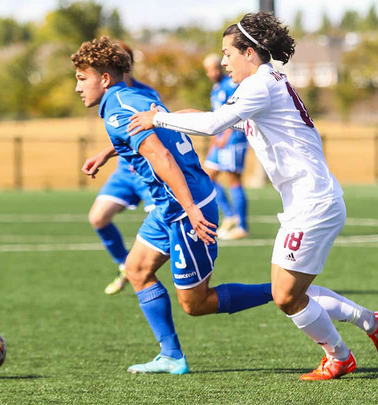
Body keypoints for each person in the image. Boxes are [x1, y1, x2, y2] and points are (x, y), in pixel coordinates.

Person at [128, 13, 378, 381]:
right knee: (288, 291)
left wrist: (156, 121)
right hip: (311, 201)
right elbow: (214, 117)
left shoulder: (260, 86)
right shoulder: (264, 84)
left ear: (250, 53)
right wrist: (165, 115)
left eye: (227, 53)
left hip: (313, 203)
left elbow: (212, 124)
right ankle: (372, 322)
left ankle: (340, 357)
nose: (223, 61)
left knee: (285, 296)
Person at [73, 36, 273, 375]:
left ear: (104, 78)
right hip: (170, 208)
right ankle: (171, 356)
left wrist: (192, 211)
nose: (77, 87)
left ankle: (283, 291)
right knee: (136, 270)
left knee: (196, 304)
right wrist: (109, 152)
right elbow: (169, 118)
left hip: (184, 209)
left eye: (82, 78)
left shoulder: (117, 109)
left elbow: (162, 156)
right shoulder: (137, 96)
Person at [87, 43, 160, 295]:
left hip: (149, 173)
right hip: (124, 172)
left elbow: (150, 133)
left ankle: (146, 270)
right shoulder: (108, 95)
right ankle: (124, 266)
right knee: (98, 217)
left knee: (166, 224)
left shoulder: (144, 94)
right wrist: (106, 153)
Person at [202, 54, 249, 240]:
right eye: (208, 70)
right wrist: (215, 141)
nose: (212, 73)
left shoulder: (231, 86)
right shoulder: (215, 90)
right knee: (206, 177)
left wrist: (226, 135)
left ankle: (242, 225)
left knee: (234, 180)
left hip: (234, 140)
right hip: (220, 140)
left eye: (214, 68)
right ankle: (230, 215)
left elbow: (237, 113)